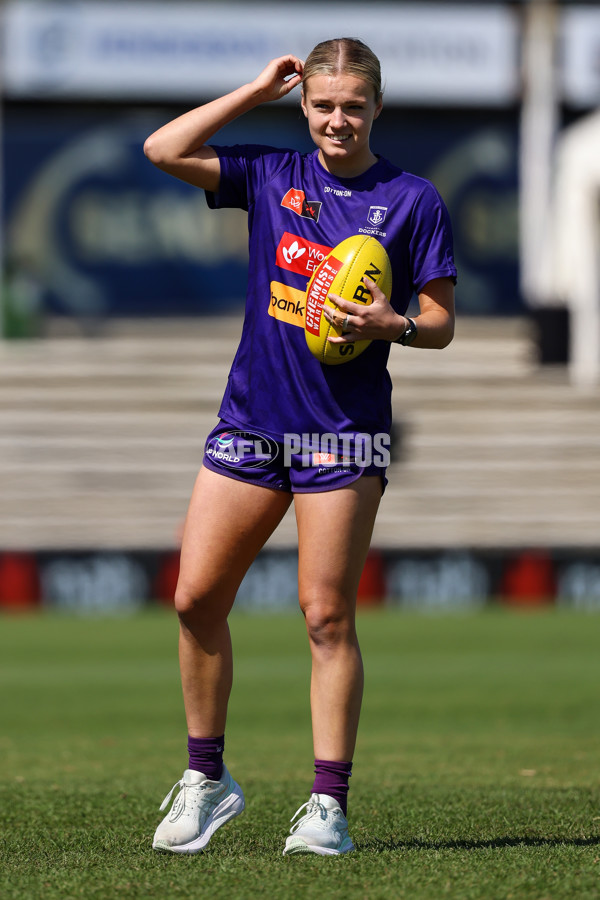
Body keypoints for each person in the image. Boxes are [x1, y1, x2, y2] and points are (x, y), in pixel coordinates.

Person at [143, 37, 456, 857]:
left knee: (325, 616)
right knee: (194, 599)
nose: (338, 119)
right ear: (305, 106)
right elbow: (163, 149)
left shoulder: (413, 198)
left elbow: (443, 323)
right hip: (252, 420)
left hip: (340, 436)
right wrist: (254, 88)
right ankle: (208, 780)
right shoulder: (272, 176)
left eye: (354, 105)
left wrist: (399, 325)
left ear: (377, 107)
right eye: (323, 105)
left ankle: (327, 806)